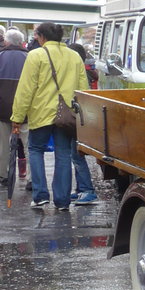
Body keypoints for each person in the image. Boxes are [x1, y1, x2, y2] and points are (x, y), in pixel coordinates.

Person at [9, 22, 89, 211]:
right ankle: (62, 201)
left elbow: (26, 89)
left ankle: (40, 195)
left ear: (42, 37)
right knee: (63, 154)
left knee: (36, 150)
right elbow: (83, 87)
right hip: (66, 115)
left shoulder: (36, 55)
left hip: (41, 112)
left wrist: (17, 117)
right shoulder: (74, 56)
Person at [66, 42, 99, 204]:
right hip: (81, 119)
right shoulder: (84, 72)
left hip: (79, 119)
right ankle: (81, 189)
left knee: (76, 155)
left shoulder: (79, 73)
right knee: (75, 154)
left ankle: (88, 190)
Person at [0, 27, 27, 189]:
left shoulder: (0, 56)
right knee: (29, 146)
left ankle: (3, 174)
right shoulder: (30, 57)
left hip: (2, 109)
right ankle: (32, 178)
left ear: (7, 41)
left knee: (3, 145)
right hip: (26, 111)